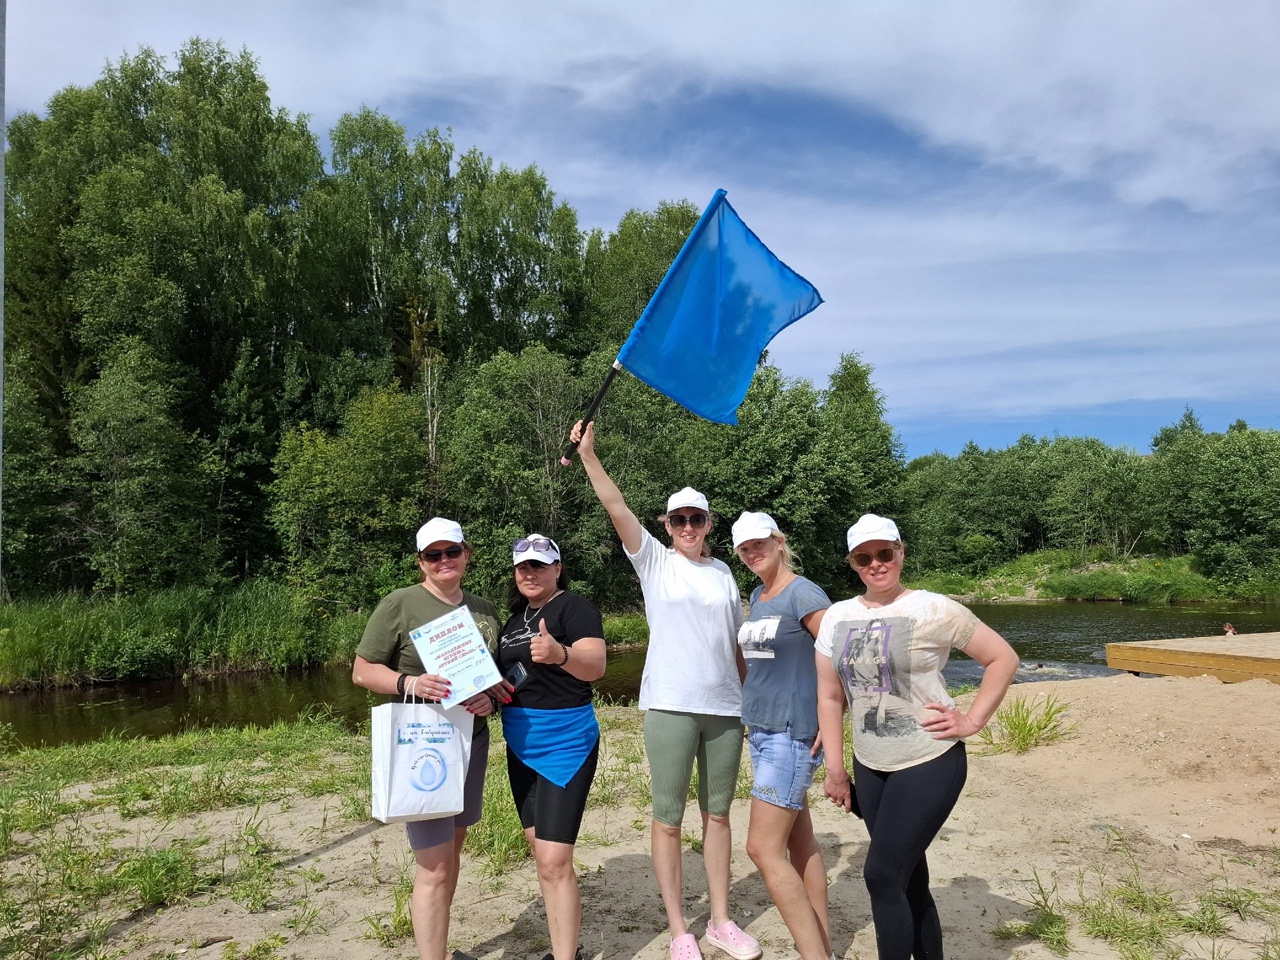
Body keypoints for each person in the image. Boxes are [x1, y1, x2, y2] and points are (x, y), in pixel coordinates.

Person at [569, 419, 761, 960]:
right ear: (667, 523)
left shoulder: (725, 572)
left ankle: (721, 921)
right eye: (678, 518)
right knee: (668, 817)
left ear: (708, 523)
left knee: (719, 814)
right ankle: (680, 929)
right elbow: (615, 507)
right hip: (671, 707)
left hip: (725, 708)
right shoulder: (654, 562)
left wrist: (752, 704)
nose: (687, 526)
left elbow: (735, 644)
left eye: (696, 518)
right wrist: (589, 454)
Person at [815, 514, 1019, 960]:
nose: (876, 564)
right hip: (870, 766)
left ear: (901, 552)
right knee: (910, 881)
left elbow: (1002, 657)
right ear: (853, 563)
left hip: (928, 760)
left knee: (881, 877)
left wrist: (973, 720)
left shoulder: (933, 608)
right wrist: (835, 769)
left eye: (885, 553)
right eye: (864, 557)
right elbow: (830, 698)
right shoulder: (837, 616)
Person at [352, 517, 508, 960]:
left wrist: (490, 702)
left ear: (467, 554)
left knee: (450, 855)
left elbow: (490, 680)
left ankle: (436, 949)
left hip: (471, 742)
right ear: (421, 561)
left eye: (451, 552)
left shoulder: (484, 609)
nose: (444, 561)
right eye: (433, 555)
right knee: (435, 866)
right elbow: (363, 671)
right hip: (423, 742)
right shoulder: (400, 604)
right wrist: (410, 684)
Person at [497, 534, 607, 960]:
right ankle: (566, 948)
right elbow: (507, 682)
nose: (530, 573)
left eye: (539, 565)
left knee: (555, 860)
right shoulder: (511, 621)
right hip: (521, 747)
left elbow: (595, 665)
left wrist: (560, 653)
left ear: (557, 568)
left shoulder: (574, 608)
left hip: (566, 744)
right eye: (523, 566)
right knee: (541, 854)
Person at [731, 512, 833, 960]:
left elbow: (839, 658)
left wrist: (830, 724)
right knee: (799, 841)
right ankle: (825, 947)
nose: (753, 552)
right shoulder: (758, 593)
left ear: (779, 540)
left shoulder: (803, 592)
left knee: (761, 849)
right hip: (763, 730)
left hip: (792, 734)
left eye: (760, 543)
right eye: (744, 548)